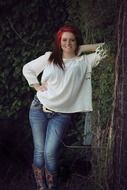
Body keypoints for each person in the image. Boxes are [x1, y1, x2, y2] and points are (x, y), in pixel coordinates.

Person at [22, 24, 105, 190]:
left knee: (50, 152)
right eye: (64, 39)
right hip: (39, 108)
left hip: (61, 114)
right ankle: (41, 187)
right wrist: (36, 85)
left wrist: (82, 48)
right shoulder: (50, 57)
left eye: (72, 40)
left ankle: (52, 187)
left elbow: (106, 49)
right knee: (39, 150)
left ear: (77, 42)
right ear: (59, 41)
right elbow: (28, 68)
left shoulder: (85, 61)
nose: (68, 43)